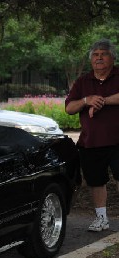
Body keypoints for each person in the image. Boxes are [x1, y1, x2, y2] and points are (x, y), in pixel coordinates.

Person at [65, 38, 119, 232]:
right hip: (92, 141)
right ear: (91, 60)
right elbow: (70, 108)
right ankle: (101, 219)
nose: (99, 58)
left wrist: (102, 101)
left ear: (112, 57)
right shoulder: (83, 81)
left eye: (103, 54)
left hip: (117, 140)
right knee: (96, 181)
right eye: (95, 55)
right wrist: (87, 100)